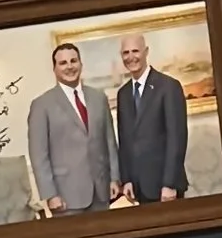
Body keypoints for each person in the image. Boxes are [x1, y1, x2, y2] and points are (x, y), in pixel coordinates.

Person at [22, 39, 113, 216]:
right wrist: (50, 194)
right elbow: (39, 155)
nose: (69, 66)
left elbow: (109, 141)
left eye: (73, 61)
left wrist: (115, 178)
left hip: (101, 193)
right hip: (65, 198)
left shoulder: (99, 97)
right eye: (63, 63)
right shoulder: (41, 105)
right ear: (54, 69)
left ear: (81, 64)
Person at [110, 30, 188, 204]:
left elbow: (177, 139)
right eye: (126, 53)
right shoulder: (123, 94)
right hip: (138, 189)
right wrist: (127, 180)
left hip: (165, 188)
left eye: (135, 51)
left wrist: (169, 184)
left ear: (146, 52)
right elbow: (125, 140)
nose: (131, 57)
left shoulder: (168, 87)